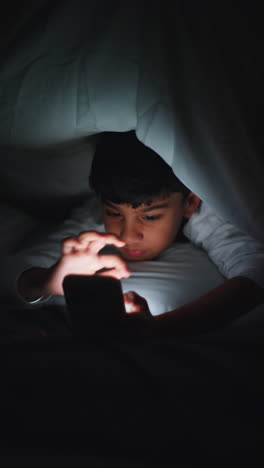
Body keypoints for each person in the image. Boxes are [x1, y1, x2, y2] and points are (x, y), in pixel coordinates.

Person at [16, 132, 264, 337]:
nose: (129, 235)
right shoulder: (94, 215)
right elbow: (17, 276)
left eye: (150, 216)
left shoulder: (209, 214)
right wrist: (48, 281)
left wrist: (159, 327)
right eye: (114, 213)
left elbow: (256, 272)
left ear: (190, 202)